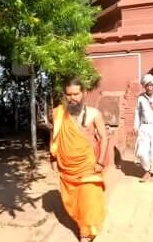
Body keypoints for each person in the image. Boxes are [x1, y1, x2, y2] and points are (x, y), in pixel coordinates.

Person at [50, 77, 107, 241]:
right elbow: (53, 136)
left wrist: (100, 162)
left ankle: (87, 232)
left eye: (76, 94)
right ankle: (82, 224)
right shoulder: (59, 114)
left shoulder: (94, 114)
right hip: (67, 167)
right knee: (75, 201)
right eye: (69, 94)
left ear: (84, 93)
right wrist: (53, 158)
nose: (72, 98)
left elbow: (104, 138)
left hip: (88, 164)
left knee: (89, 198)